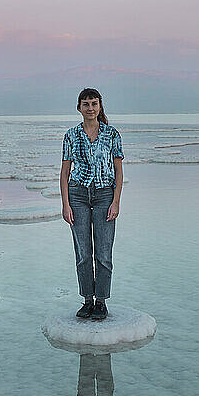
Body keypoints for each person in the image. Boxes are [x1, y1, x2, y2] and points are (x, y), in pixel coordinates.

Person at [60, 88, 124, 320]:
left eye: (94, 104)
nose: (90, 108)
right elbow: (65, 171)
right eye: (85, 104)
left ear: (100, 106)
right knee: (83, 252)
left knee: (104, 252)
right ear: (79, 107)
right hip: (77, 195)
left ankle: (101, 302)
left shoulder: (112, 134)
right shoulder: (71, 135)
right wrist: (65, 204)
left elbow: (118, 170)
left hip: (105, 195)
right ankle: (87, 300)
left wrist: (116, 201)